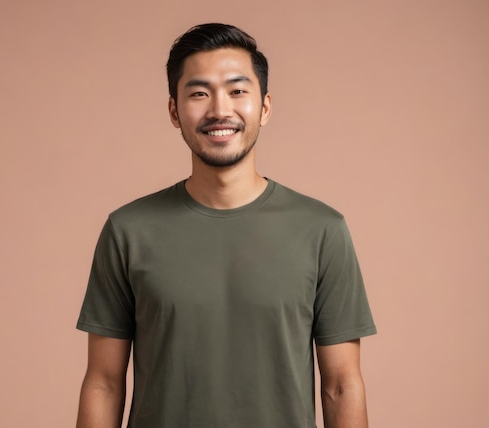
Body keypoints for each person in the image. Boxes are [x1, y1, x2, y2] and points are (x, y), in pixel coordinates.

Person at [76, 23, 376, 428]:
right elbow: (104, 383)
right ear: (173, 110)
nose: (220, 110)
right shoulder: (128, 230)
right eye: (199, 93)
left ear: (264, 107)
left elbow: (341, 384)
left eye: (237, 91)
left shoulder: (322, 230)